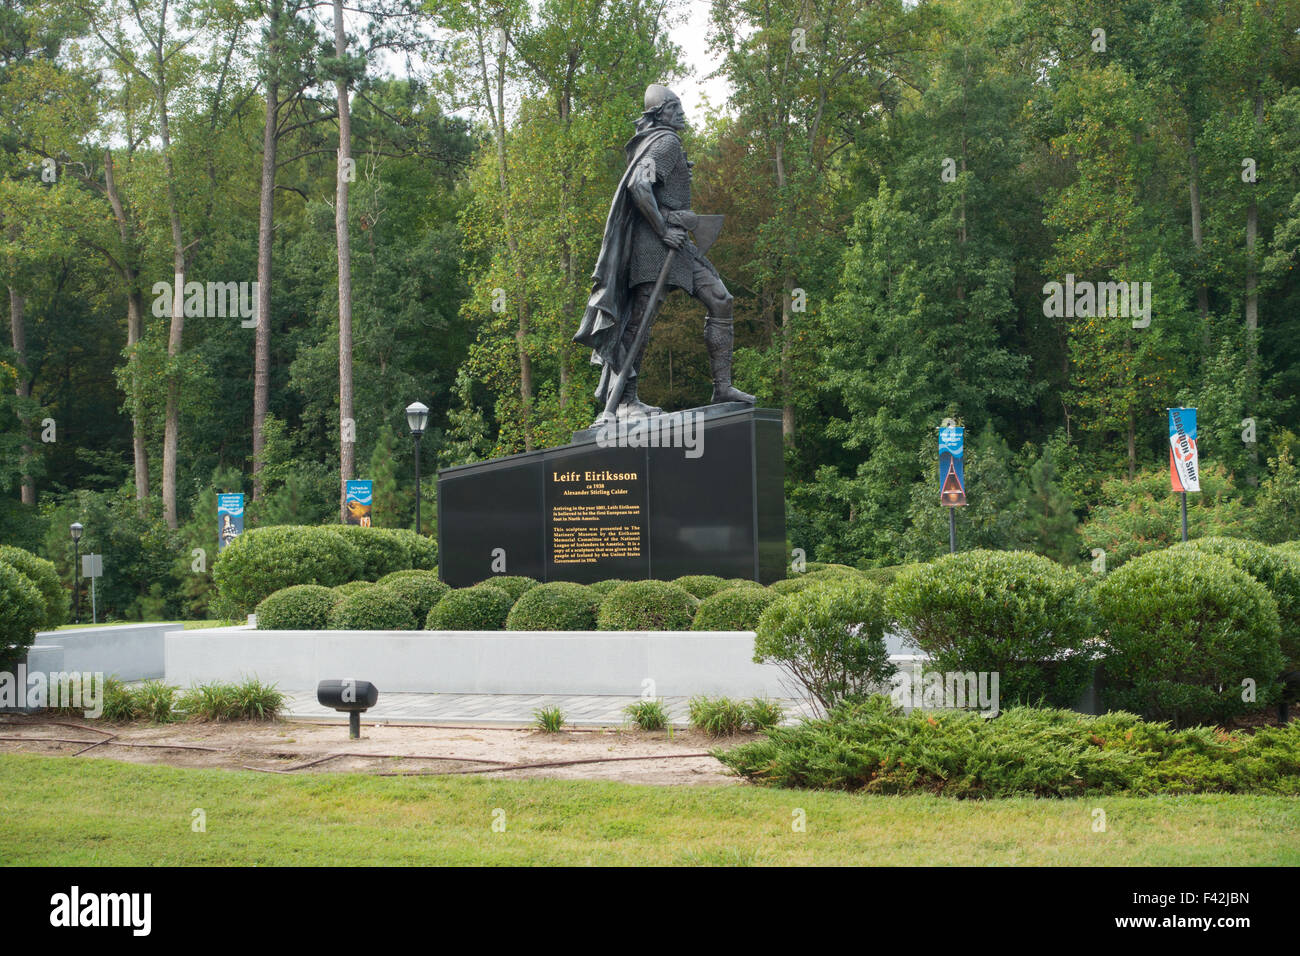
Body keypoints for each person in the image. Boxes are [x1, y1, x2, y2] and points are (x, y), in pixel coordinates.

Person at [573, 84, 755, 421]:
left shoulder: (660, 143)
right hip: (655, 246)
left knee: (721, 300)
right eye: (675, 106)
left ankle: (722, 386)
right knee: (639, 321)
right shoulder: (667, 142)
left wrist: (673, 214)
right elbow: (638, 186)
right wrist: (663, 227)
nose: (682, 113)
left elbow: (652, 188)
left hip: (676, 245)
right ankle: (625, 402)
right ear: (661, 113)